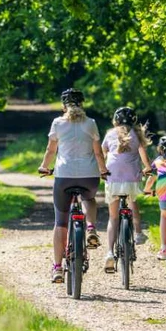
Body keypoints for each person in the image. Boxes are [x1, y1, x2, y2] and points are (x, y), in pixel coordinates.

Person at [37, 88, 109, 284]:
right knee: (89, 198)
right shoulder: (91, 123)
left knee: (60, 222)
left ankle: (58, 268)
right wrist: (103, 170)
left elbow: (51, 150)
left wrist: (44, 167)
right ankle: (92, 227)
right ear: (82, 104)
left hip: (64, 176)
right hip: (89, 177)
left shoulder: (58, 123)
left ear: (63, 106)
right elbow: (98, 153)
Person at [101, 106, 151, 273]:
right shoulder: (136, 136)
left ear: (115, 121)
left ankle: (109, 252)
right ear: (134, 121)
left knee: (113, 217)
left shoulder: (110, 134)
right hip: (131, 178)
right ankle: (137, 233)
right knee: (132, 203)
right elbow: (144, 156)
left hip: (113, 177)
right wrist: (148, 167)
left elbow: (103, 152)